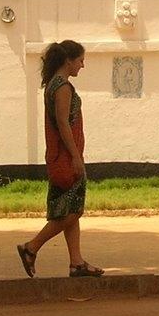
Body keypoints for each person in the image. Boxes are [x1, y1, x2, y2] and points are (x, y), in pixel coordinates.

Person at [17, 39, 104, 278]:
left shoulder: (53, 85)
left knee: (69, 209)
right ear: (68, 61)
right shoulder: (63, 87)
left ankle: (76, 262)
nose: (82, 65)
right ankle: (31, 247)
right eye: (80, 60)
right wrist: (76, 157)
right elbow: (64, 124)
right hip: (66, 157)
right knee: (72, 212)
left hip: (57, 155)